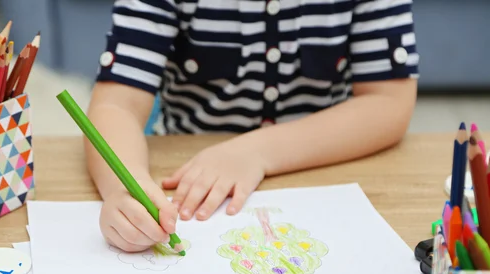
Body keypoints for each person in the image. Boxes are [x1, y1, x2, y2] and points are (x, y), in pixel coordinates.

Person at [85, 0, 418, 252]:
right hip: (185, 180)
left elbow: (389, 102)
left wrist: (257, 150)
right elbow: (116, 105)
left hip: (323, 174)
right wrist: (123, 187)